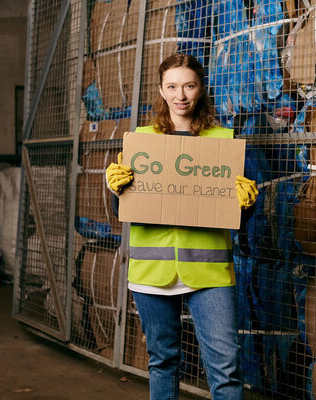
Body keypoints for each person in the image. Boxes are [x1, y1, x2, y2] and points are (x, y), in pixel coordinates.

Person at [105, 53, 258, 400]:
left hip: (209, 273)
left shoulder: (223, 143)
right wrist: (117, 190)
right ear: (161, 90)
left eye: (189, 85)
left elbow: (234, 219)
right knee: (163, 361)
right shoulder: (142, 141)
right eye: (172, 86)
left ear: (201, 88)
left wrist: (246, 203)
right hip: (151, 272)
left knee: (226, 368)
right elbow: (125, 210)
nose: (181, 95)